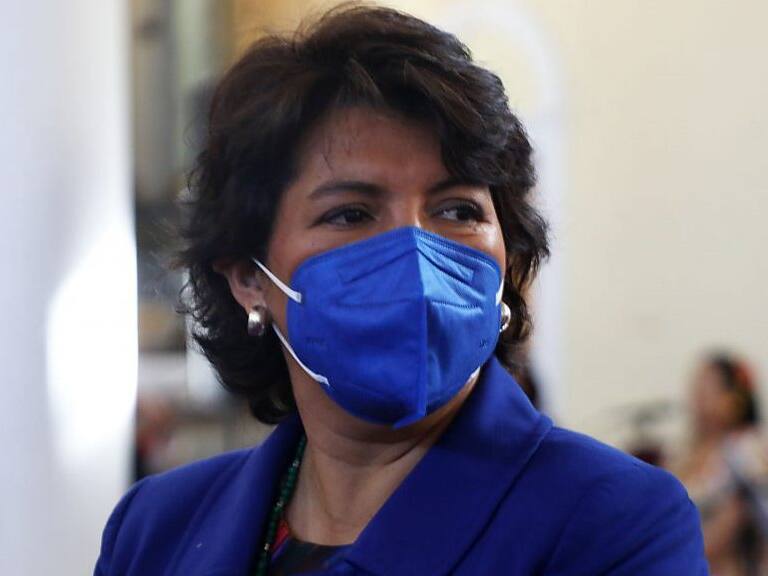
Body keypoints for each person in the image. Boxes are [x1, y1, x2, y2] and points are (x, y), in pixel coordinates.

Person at [94, 6, 706, 575]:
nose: (415, 253)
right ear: (249, 278)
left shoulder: (612, 521)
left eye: (457, 209)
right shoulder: (157, 529)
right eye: (351, 214)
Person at [668, 353, 768, 576]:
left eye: (707, 387)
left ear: (734, 397)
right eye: (696, 386)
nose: (697, 397)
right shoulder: (685, 451)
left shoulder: (745, 448)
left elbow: (742, 515)